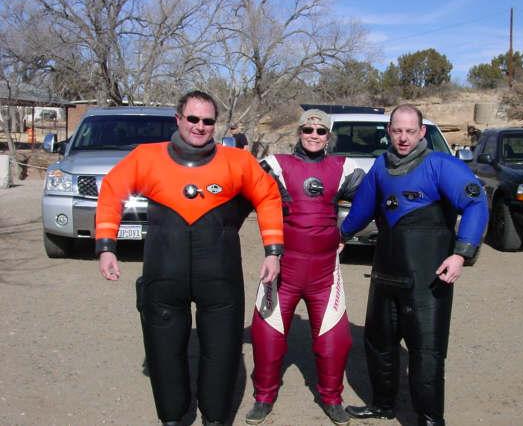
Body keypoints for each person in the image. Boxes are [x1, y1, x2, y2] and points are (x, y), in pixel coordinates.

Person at [95, 90, 284, 426]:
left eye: (208, 121)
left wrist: (272, 251)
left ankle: (215, 418)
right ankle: (173, 418)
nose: (200, 127)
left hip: (220, 278)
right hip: (164, 274)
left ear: (216, 124)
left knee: (222, 353)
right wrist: (107, 246)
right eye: (193, 119)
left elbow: (268, 196)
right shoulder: (146, 157)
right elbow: (112, 189)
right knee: (164, 352)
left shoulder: (237, 161)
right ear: (178, 119)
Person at [340, 104, 488, 426]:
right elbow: (361, 211)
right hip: (385, 275)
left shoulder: (440, 165)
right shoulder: (380, 166)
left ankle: (430, 419)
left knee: (427, 353)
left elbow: (476, 202)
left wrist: (461, 253)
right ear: (389, 132)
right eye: (397, 131)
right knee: (378, 344)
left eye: (410, 131)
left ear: (422, 132)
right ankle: (382, 405)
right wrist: (339, 236)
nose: (403, 138)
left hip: (428, 280)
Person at [246, 109, 365, 426]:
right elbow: (244, 192)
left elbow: (371, 199)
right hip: (283, 269)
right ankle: (264, 396)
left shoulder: (343, 168)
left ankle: (332, 398)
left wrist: (346, 233)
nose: (314, 135)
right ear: (299, 132)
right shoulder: (276, 165)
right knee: (266, 336)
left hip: (325, 272)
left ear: (329, 135)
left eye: (321, 131)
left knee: (335, 341)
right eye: (308, 129)